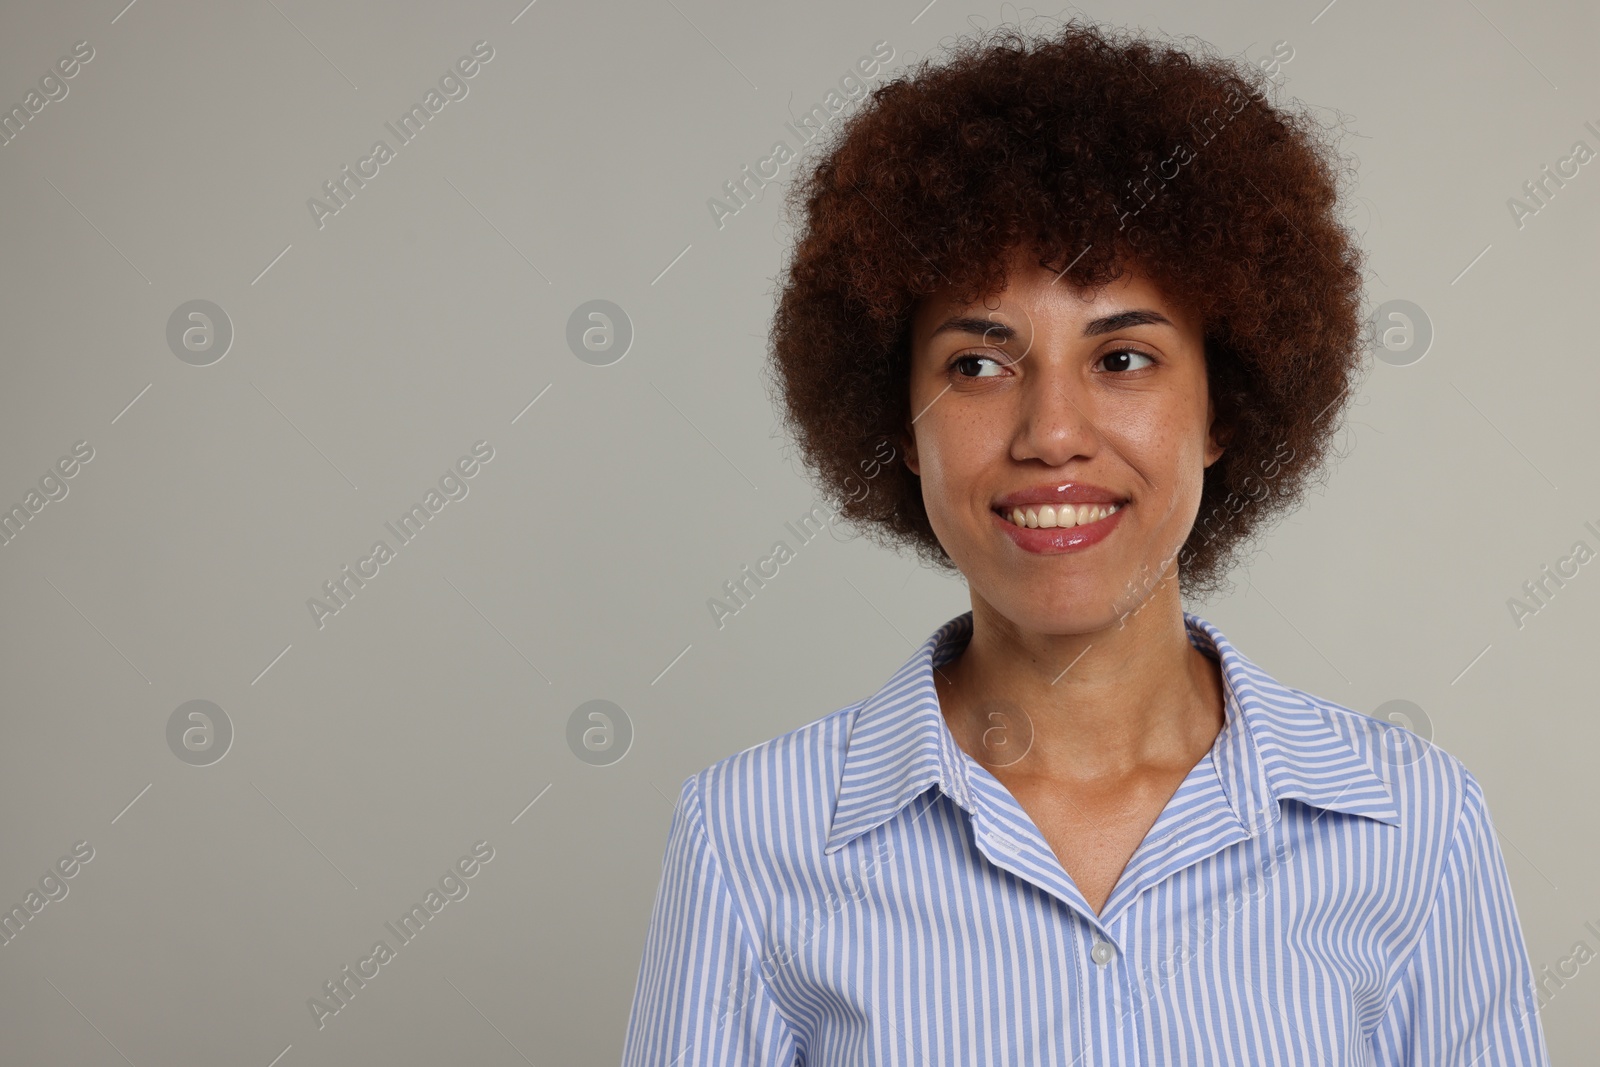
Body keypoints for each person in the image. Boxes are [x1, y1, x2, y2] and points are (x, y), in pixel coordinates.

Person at [622, 18, 1550, 1066]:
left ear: (1222, 404)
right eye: (978, 364)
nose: (1051, 432)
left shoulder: (1412, 827)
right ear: (899, 423)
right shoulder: (749, 840)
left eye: (1122, 357)